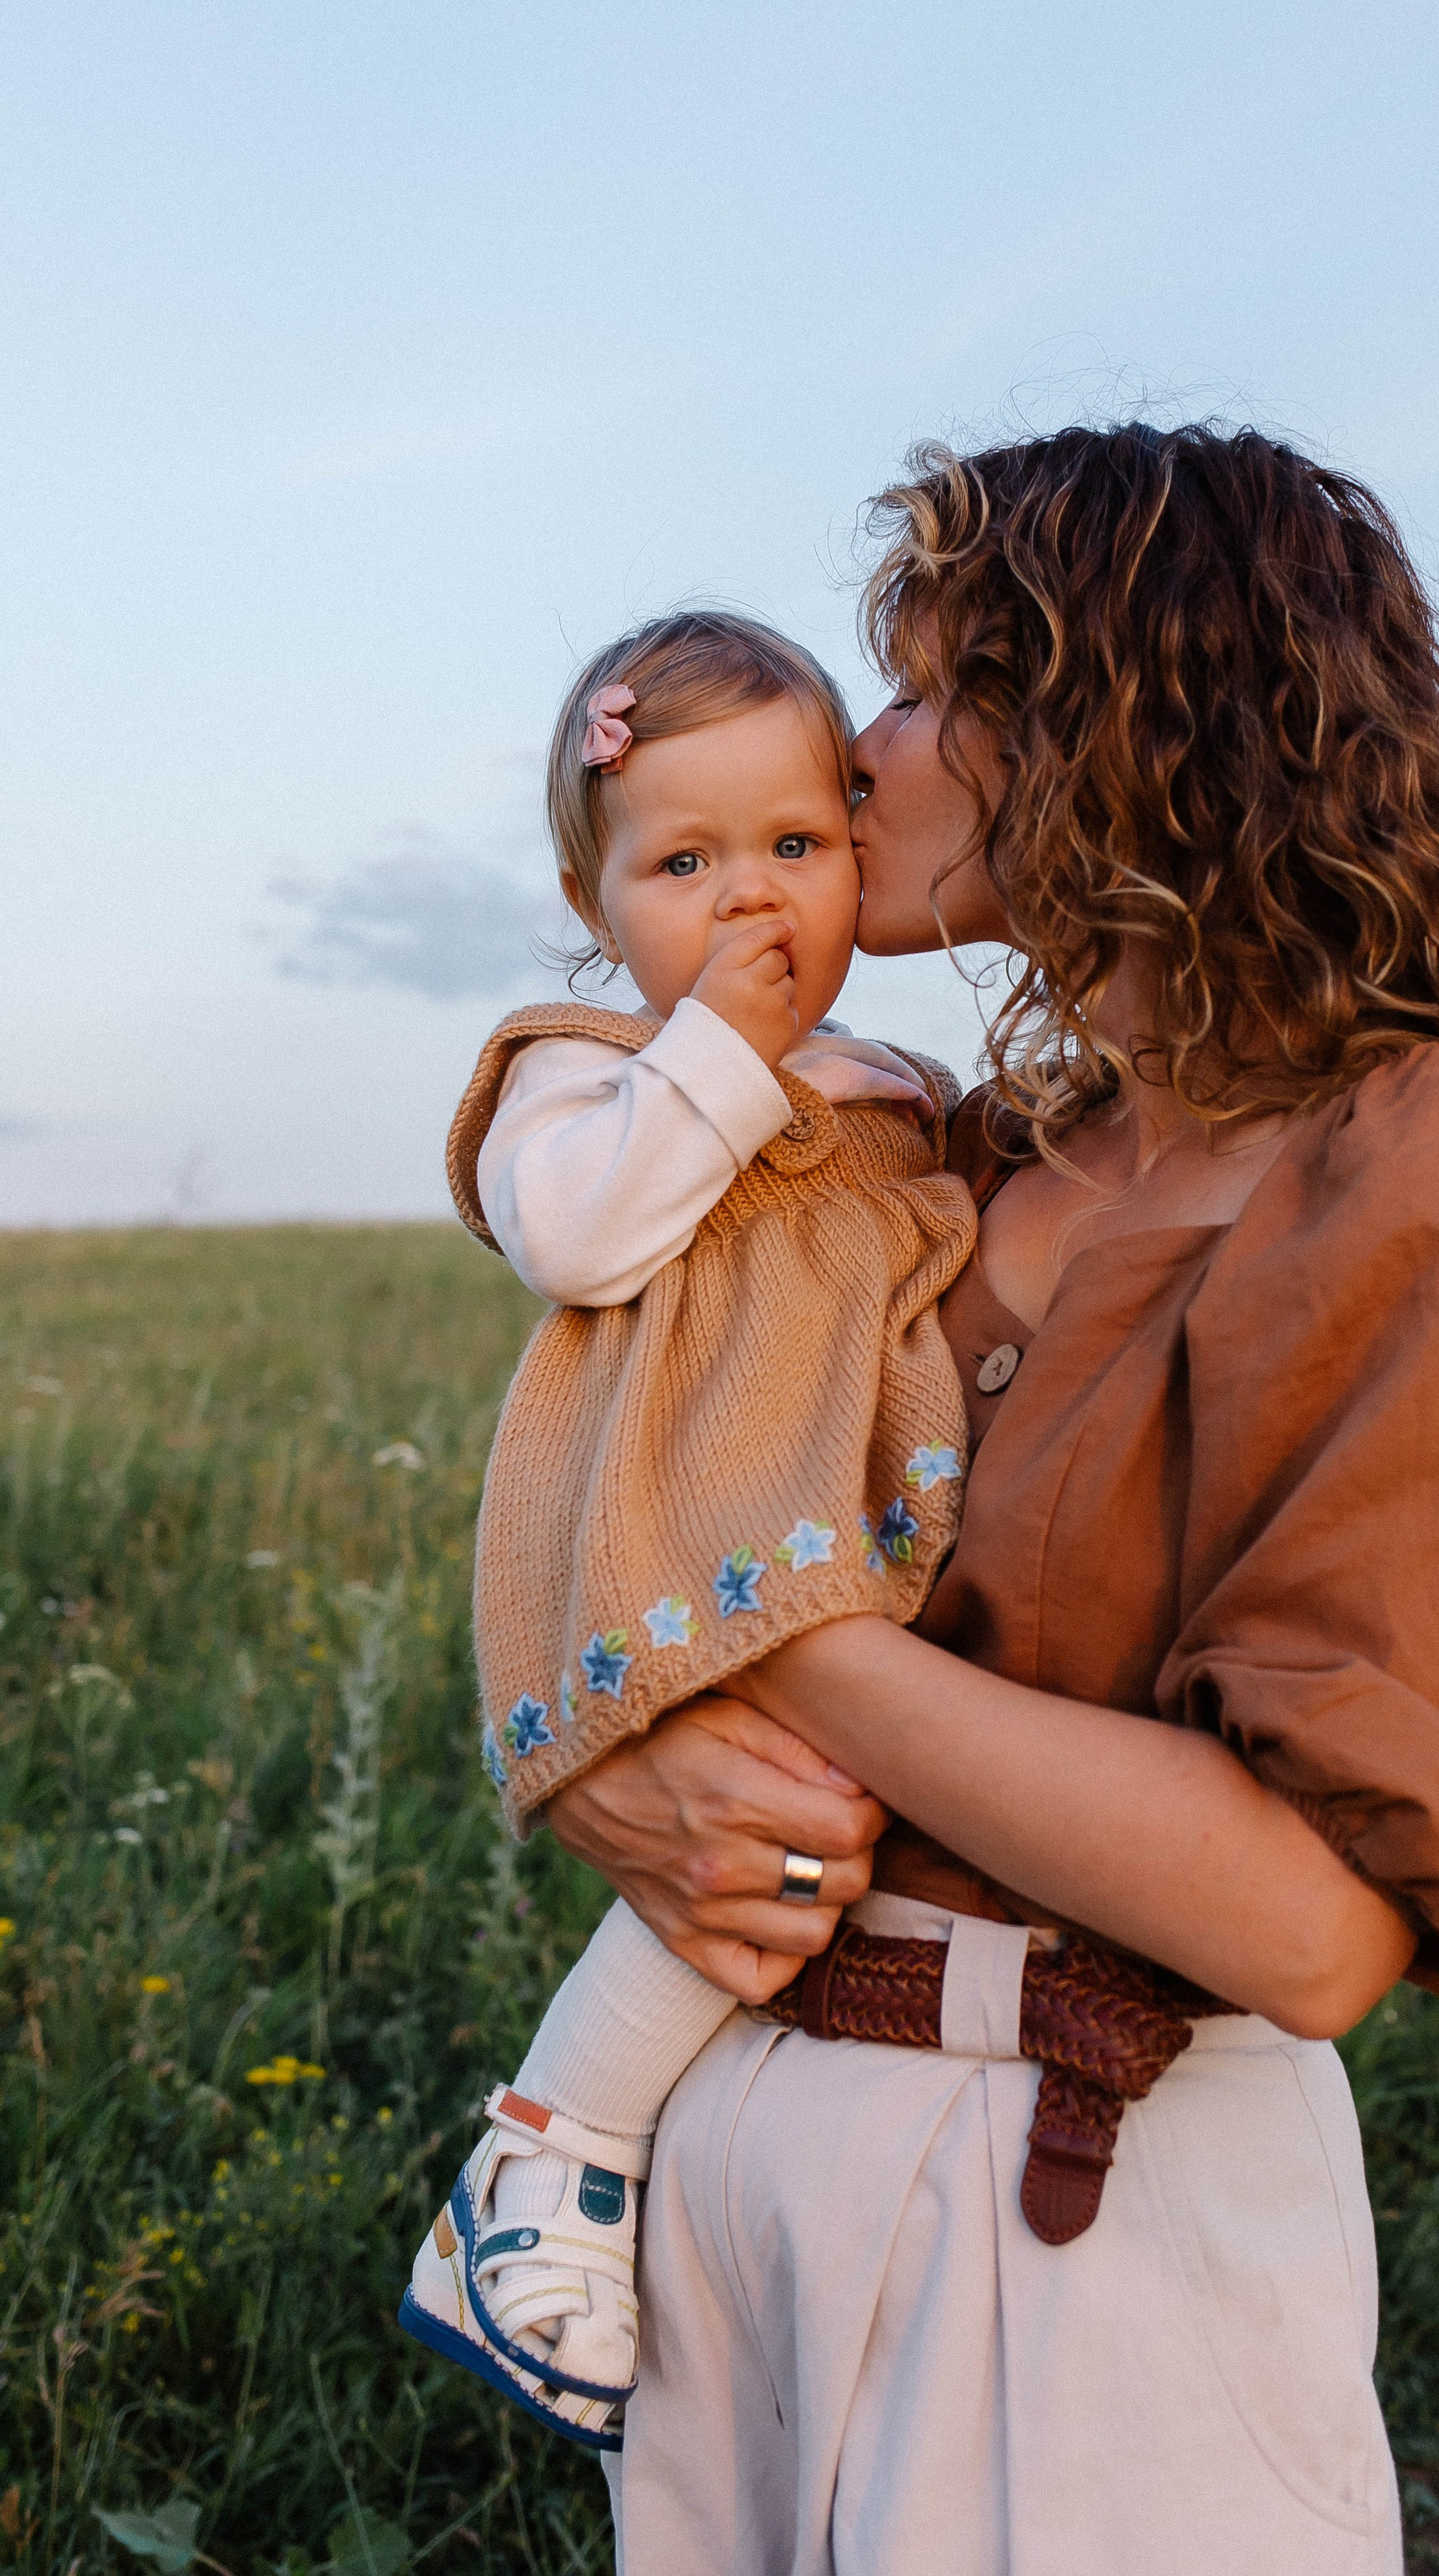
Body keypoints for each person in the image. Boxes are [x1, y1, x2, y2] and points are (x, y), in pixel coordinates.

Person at [538, 422, 1439, 2576]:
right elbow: (615, 1487)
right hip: (740, 2203)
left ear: (1124, 713)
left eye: (920, 688)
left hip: (1079, 2245)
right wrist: (595, 1775)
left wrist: (779, 1641)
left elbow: (1306, 1919)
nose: (863, 747)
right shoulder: (972, 1157)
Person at [401, 610, 977, 2439]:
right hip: (682, 1533)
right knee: (764, 1838)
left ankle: (661, 2171)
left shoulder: (884, 1087)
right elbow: (578, 1234)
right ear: (594, 900)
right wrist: (720, 1054)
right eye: (682, 864)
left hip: (842, 1532)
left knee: (810, 1861)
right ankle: (548, 2149)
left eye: (795, 849)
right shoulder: (576, 1074)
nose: (749, 907)